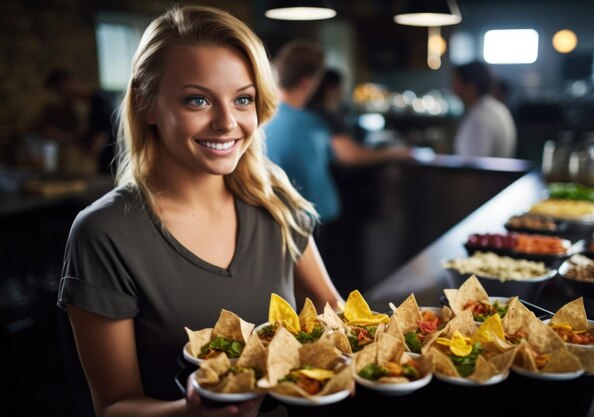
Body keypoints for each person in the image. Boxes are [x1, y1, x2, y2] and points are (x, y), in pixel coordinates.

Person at [56, 5, 343, 417]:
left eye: (243, 99)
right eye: (198, 100)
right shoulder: (103, 233)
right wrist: (189, 412)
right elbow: (115, 404)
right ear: (146, 104)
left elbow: (331, 311)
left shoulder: (273, 198)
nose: (227, 122)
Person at [264, 40, 340, 223]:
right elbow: (342, 156)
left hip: (275, 220)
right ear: (307, 82)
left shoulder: (260, 118)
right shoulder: (313, 126)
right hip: (310, 223)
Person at [307, 68, 413, 166]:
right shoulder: (323, 116)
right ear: (333, 88)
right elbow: (350, 155)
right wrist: (393, 154)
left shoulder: (326, 112)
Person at [34, 69, 116, 174]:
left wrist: (59, 136)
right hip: (107, 170)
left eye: (60, 91)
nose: (62, 97)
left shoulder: (99, 104)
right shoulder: (90, 105)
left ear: (67, 84)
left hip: (111, 172)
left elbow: (95, 146)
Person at [451, 60, 517, 158]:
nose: (453, 88)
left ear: (471, 86)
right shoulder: (499, 108)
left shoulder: (479, 117)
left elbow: (472, 166)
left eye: (456, 82)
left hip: (488, 173)